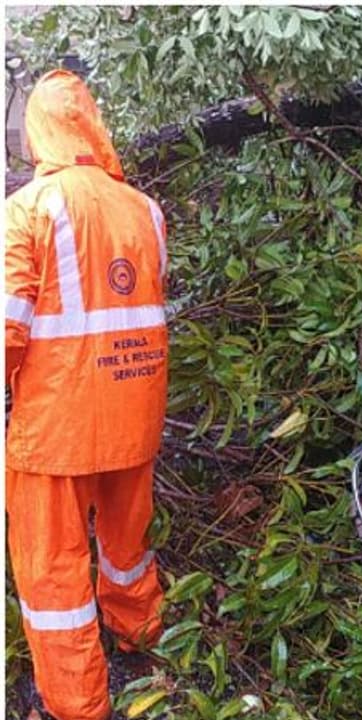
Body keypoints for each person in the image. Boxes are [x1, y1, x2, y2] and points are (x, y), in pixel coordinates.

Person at [6, 69, 169, 720]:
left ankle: (78, 705)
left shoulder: (27, 210)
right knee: (128, 547)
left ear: (37, 133)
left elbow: (7, 326)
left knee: (52, 574)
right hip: (135, 416)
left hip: (57, 432)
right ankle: (143, 639)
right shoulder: (145, 210)